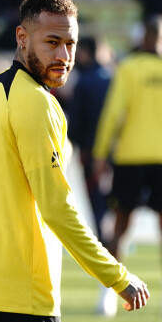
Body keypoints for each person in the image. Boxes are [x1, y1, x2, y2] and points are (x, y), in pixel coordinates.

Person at [0, 0, 150, 322]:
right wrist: (116, 276)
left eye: (70, 44)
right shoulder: (37, 105)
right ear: (22, 38)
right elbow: (57, 208)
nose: (64, 56)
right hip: (18, 287)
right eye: (52, 42)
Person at [93, 14, 162, 322]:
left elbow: (112, 113)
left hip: (130, 157)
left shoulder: (129, 68)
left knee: (119, 227)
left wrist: (101, 152)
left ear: (143, 37)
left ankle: (107, 298)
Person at [67, 36, 112, 244]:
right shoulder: (114, 79)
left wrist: (73, 143)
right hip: (116, 151)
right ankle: (116, 240)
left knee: (96, 199)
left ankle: (105, 243)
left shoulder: (84, 82)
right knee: (113, 197)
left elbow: (76, 121)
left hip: (90, 150)